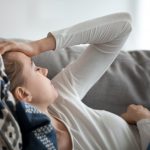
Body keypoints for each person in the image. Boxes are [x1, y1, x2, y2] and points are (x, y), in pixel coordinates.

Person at [0, 12, 150, 150]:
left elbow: (123, 26)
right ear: (24, 94)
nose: (45, 70)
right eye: (35, 69)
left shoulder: (63, 94)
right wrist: (144, 120)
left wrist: (38, 46)